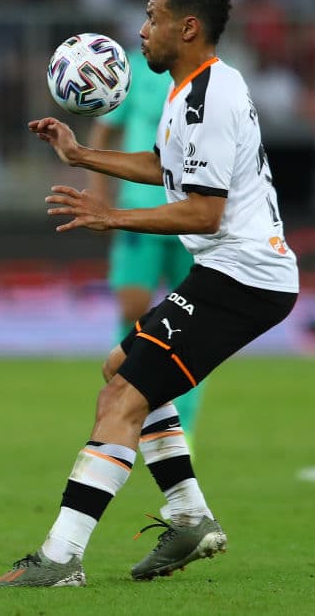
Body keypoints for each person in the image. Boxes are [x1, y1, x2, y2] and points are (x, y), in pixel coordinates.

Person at [0, 0, 298, 588]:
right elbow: (166, 169)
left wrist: (110, 213)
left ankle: (60, 558)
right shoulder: (195, 91)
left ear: (187, 27)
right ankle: (189, 518)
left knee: (121, 398)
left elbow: (204, 209)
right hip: (235, 271)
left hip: (243, 277)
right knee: (117, 370)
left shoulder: (207, 98)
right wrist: (82, 157)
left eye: (152, 16)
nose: (140, 29)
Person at [86, 48, 209, 446]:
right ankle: (131, 407)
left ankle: (180, 426)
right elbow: (106, 128)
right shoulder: (132, 74)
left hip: (191, 210)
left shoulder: (210, 78)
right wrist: (99, 193)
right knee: (133, 307)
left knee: (190, 323)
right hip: (138, 207)